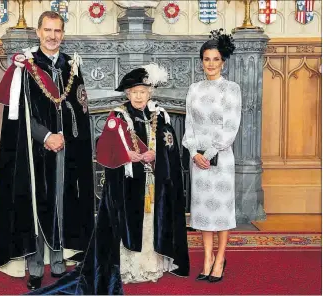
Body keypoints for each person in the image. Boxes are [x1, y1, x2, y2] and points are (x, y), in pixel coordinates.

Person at [28, 64, 189, 295]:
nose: (138, 96)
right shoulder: (117, 116)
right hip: (126, 184)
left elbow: (170, 146)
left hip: (152, 181)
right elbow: (104, 149)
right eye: (134, 92)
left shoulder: (159, 115)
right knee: (127, 223)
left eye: (142, 92)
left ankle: (150, 265)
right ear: (127, 94)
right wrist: (127, 156)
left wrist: (156, 155)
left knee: (150, 221)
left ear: (149, 93)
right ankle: (129, 267)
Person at [0, 11, 94, 290]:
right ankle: (36, 266)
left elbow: (80, 108)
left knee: (63, 202)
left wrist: (68, 139)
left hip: (67, 148)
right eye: (47, 30)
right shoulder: (25, 67)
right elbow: (20, 113)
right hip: (33, 149)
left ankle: (59, 260)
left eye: (57, 31)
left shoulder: (71, 65)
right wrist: (47, 136)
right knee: (37, 205)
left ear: (63, 33)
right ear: (38, 32)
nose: (52, 36)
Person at [182, 28, 240, 283]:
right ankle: (206, 258)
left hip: (221, 159)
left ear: (223, 62)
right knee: (203, 213)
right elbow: (189, 124)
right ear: (201, 61)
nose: (211, 64)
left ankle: (220, 258)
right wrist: (194, 153)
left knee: (222, 213)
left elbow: (231, 125)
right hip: (199, 162)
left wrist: (211, 152)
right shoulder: (194, 89)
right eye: (207, 59)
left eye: (216, 59)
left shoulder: (232, 89)